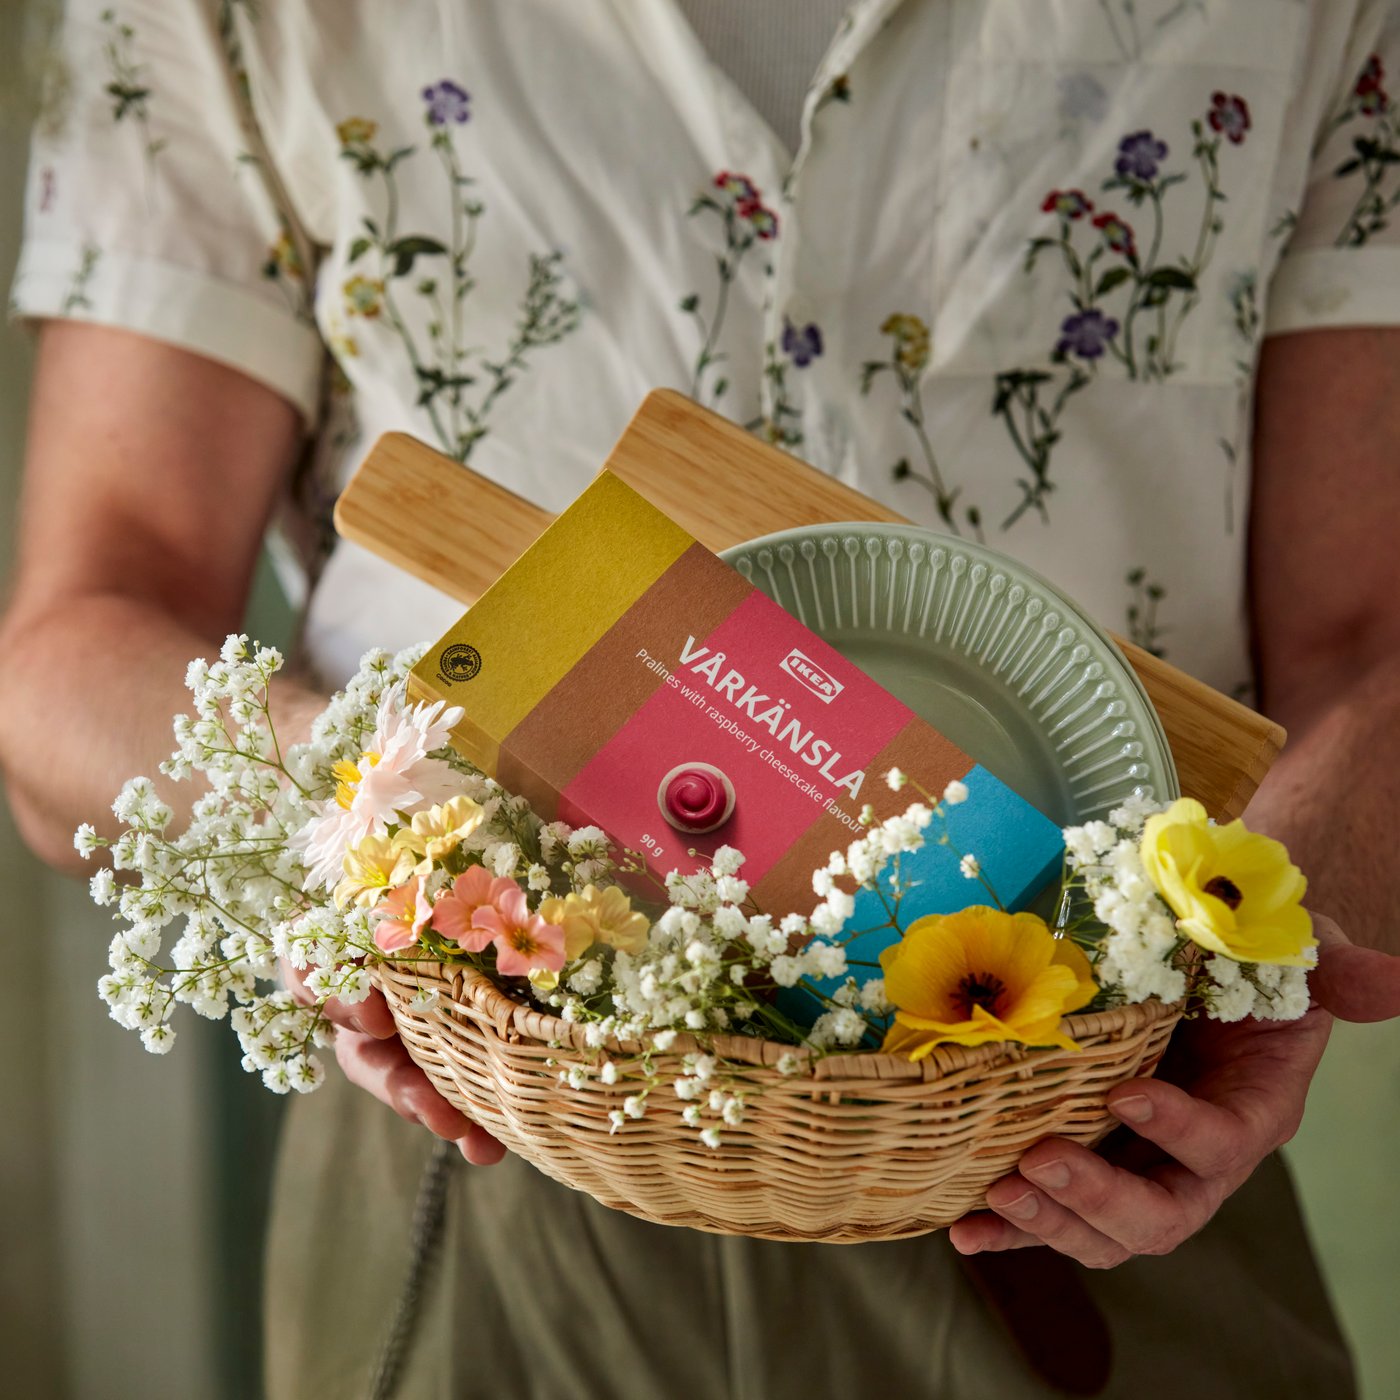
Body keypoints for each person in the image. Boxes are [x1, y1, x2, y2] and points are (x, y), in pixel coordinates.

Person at [4, 1, 1400, 1396]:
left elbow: (1369, 644)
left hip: (1096, 1184)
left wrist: (1283, 939)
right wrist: (374, 806)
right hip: (488, 1189)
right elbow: (68, 658)